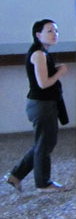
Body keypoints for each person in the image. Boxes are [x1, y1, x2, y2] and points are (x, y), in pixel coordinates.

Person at [4, 19, 68, 193]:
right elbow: (43, 84)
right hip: (42, 105)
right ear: (38, 35)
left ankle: (15, 176)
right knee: (45, 144)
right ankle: (43, 183)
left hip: (43, 104)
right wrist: (60, 72)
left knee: (43, 143)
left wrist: (55, 69)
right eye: (49, 31)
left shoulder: (42, 53)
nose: (54, 34)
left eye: (56, 30)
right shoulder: (39, 54)